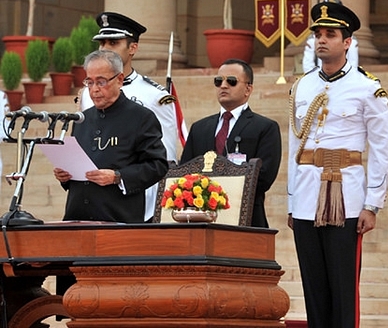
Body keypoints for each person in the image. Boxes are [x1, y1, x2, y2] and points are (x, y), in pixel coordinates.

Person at [287, 0, 388, 328]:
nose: (321, 39)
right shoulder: (303, 85)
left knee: (343, 288)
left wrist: (373, 203)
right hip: (306, 196)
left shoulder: (367, 88)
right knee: (314, 287)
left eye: (330, 34)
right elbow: (295, 143)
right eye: (318, 34)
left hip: (346, 197)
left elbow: (381, 148)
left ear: (347, 42)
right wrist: (292, 201)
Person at [79, 12, 179, 222]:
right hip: (93, 201)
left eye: (113, 42)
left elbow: (165, 157)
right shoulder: (88, 93)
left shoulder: (156, 95)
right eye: (102, 42)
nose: (105, 48)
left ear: (132, 48)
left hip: (135, 201)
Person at [54, 50, 168, 223]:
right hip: (77, 218)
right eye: (89, 82)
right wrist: (65, 177)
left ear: (120, 80)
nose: (94, 90)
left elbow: (157, 165)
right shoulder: (82, 120)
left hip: (118, 218)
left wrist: (118, 176)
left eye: (101, 82)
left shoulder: (141, 117)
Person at [180, 58, 281, 228]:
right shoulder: (200, 128)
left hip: (246, 218)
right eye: (219, 81)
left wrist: (220, 192)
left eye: (231, 81)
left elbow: (264, 176)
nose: (223, 86)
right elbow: (186, 170)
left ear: (248, 89)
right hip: (200, 220)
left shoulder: (264, 127)